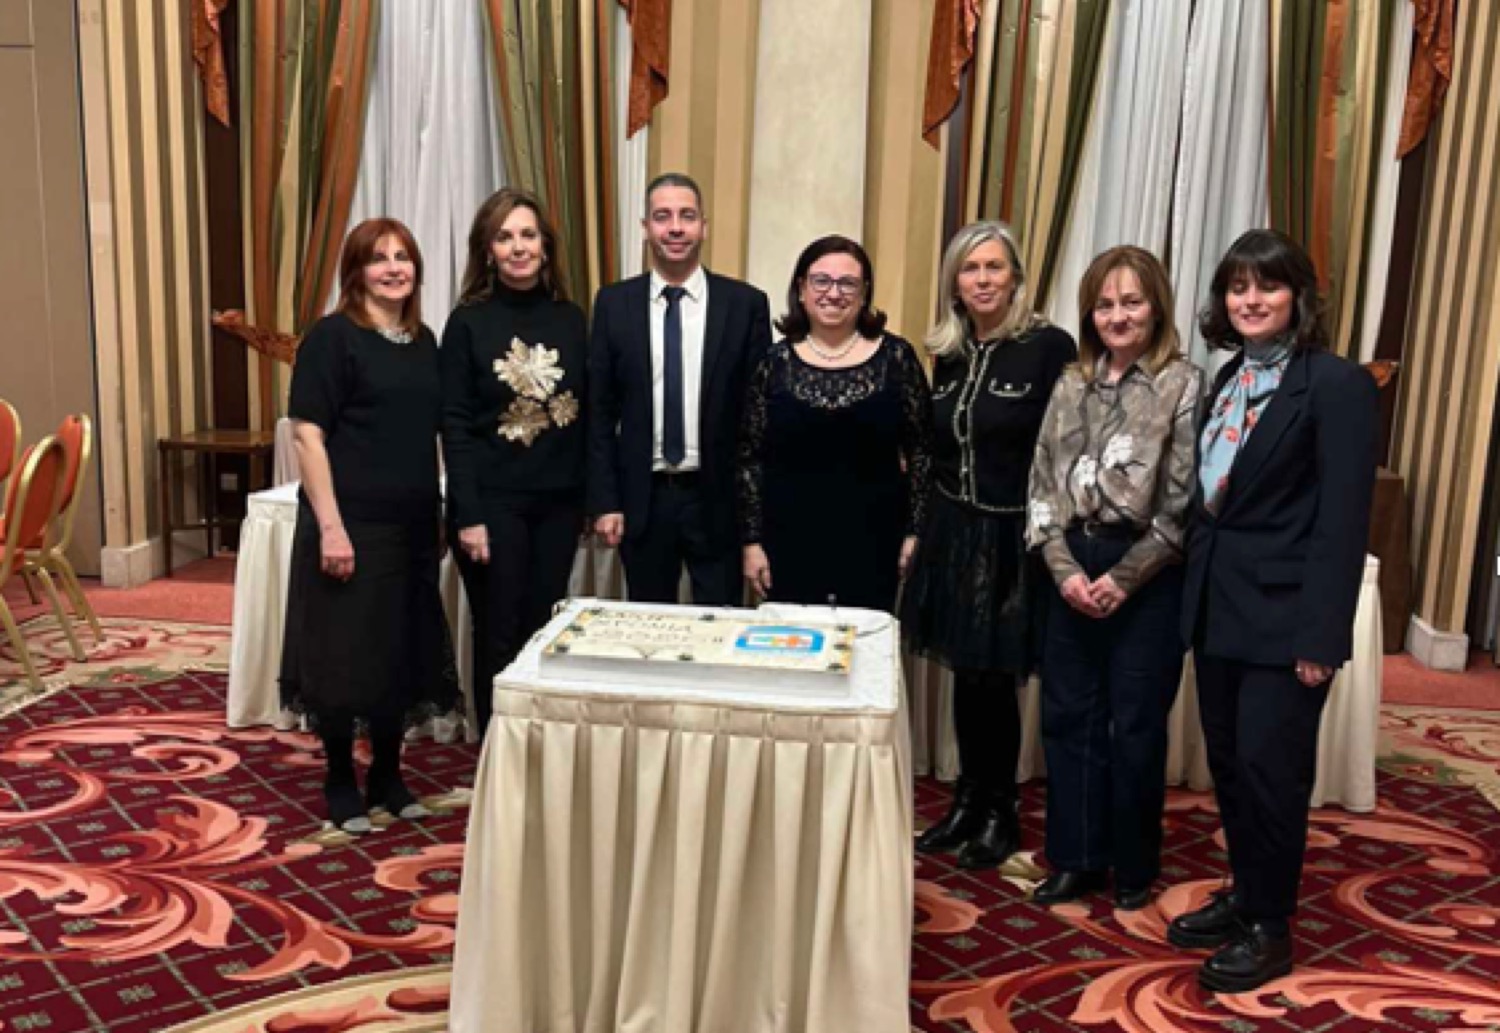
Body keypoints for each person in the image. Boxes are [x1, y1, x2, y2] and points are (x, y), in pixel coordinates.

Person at [1168, 229, 1377, 993]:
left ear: (1299, 296)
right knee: (1230, 765)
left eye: (1268, 285)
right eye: (1237, 287)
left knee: (1271, 773)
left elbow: (1343, 523)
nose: (1250, 300)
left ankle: (1270, 927)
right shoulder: (1230, 377)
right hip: (1218, 610)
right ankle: (1247, 892)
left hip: (1286, 621)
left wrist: (1321, 636)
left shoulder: (1336, 384)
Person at [1026, 246, 1204, 909]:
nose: (1117, 315)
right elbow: (1042, 484)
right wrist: (1064, 569)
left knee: (1135, 726)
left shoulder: (1183, 383)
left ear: (1156, 306)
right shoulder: (1071, 382)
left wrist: (1126, 578)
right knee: (1068, 718)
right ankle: (1076, 859)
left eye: (1131, 301)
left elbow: (1182, 501)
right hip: (1072, 564)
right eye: (1104, 304)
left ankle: (1132, 865)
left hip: (1148, 572)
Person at [903, 222, 1075, 869]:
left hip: (1013, 536)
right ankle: (967, 801)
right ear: (955, 281)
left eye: (994, 267)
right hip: (953, 533)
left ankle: (1001, 810)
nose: (982, 279)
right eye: (970, 268)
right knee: (966, 675)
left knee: (998, 679)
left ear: (1016, 277)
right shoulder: (947, 352)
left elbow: (1065, 446)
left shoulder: (1048, 347)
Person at [279, 218, 456, 834]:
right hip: (349, 523)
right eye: (378, 258)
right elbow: (307, 436)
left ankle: (387, 774)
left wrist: (437, 512)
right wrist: (331, 528)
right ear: (355, 271)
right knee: (344, 654)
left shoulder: (425, 340)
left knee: (397, 652)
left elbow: (430, 435)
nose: (393, 268)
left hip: (411, 523)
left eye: (403, 257)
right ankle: (339, 779)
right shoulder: (332, 338)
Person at [441, 188, 587, 739]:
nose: (518, 247)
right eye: (504, 237)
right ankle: (497, 752)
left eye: (528, 235)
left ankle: (533, 748)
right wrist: (469, 516)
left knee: (541, 630)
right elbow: (454, 424)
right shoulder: (467, 323)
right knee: (498, 632)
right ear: (488, 250)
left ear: (546, 246)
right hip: (491, 506)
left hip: (558, 505)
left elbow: (589, 415)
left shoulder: (572, 318)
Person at [587, 173, 772, 604]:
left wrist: (754, 521)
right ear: (645, 227)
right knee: (651, 628)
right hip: (643, 500)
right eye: (662, 216)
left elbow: (758, 418)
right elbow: (600, 411)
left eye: (687, 216)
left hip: (718, 500)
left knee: (720, 626)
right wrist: (606, 500)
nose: (675, 228)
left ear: (703, 227)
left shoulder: (744, 305)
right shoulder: (614, 303)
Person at [737, 235, 932, 611]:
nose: (833, 293)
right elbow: (749, 459)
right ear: (801, 289)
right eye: (821, 281)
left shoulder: (898, 359)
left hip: (876, 541)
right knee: (791, 642)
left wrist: (915, 532)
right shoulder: (773, 364)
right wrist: (751, 542)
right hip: (787, 541)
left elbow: (922, 453)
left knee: (864, 640)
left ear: (864, 293)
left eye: (847, 283)